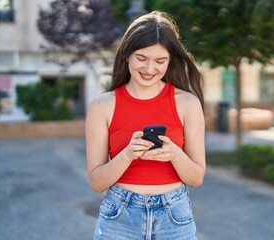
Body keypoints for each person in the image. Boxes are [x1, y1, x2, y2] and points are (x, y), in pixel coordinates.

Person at [85, 10, 206, 240]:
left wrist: (175, 154)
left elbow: (196, 178)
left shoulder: (188, 104)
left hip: (174, 218)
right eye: (142, 58)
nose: (150, 69)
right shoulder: (102, 105)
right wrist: (128, 154)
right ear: (127, 55)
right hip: (119, 218)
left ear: (170, 61)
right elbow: (96, 182)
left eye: (160, 61)